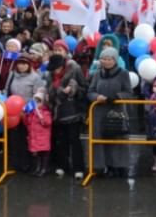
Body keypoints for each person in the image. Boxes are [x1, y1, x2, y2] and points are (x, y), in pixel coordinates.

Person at [87, 47, 132, 178]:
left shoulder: (123, 73)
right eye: (103, 59)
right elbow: (90, 91)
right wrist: (96, 97)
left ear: (115, 60)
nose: (105, 61)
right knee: (101, 140)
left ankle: (120, 166)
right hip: (99, 112)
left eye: (108, 59)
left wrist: (116, 97)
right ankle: (103, 166)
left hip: (116, 112)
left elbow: (129, 93)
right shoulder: (97, 74)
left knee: (118, 140)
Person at [44, 49, 87, 179]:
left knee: (74, 140)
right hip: (58, 111)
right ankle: (62, 165)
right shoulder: (50, 75)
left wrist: (74, 90)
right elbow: (49, 91)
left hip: (73, 110)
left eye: (57, 68)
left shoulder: (75, 70)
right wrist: (52, 94)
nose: (55, 71)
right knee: (60, 141)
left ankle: (78, 168)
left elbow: (84, 88)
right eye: (53, 69)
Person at [5, 53, 43, 173]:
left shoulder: (35, 77)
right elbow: (7, 91)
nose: (21, 66)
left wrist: (25, 109)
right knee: (13, 138)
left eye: (24, 64)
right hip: (12, 113)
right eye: (20, 63)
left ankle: (27, 163)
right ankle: (14, 163)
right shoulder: (12, 75)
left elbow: (37, 96)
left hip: (28, 112)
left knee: (27, 138)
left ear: (29, 65)